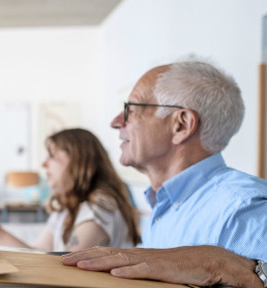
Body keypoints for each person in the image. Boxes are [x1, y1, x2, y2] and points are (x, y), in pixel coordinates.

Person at [109, 59, 267, 260]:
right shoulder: (164, 204)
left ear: (182, 125)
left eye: (130, 111)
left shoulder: (243, 213)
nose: (115, 122)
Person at [0, 128, 139, 251]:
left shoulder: (100, 206)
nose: (44, 164)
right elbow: (39, 254)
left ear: (77, 161)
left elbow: (63, 270)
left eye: (52, 156)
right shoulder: (67, 206)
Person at [61, 246, 267, 288]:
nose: (117, 134)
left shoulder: (244, 207)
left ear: (180, 134)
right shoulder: (162, 206)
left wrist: (218, 262)